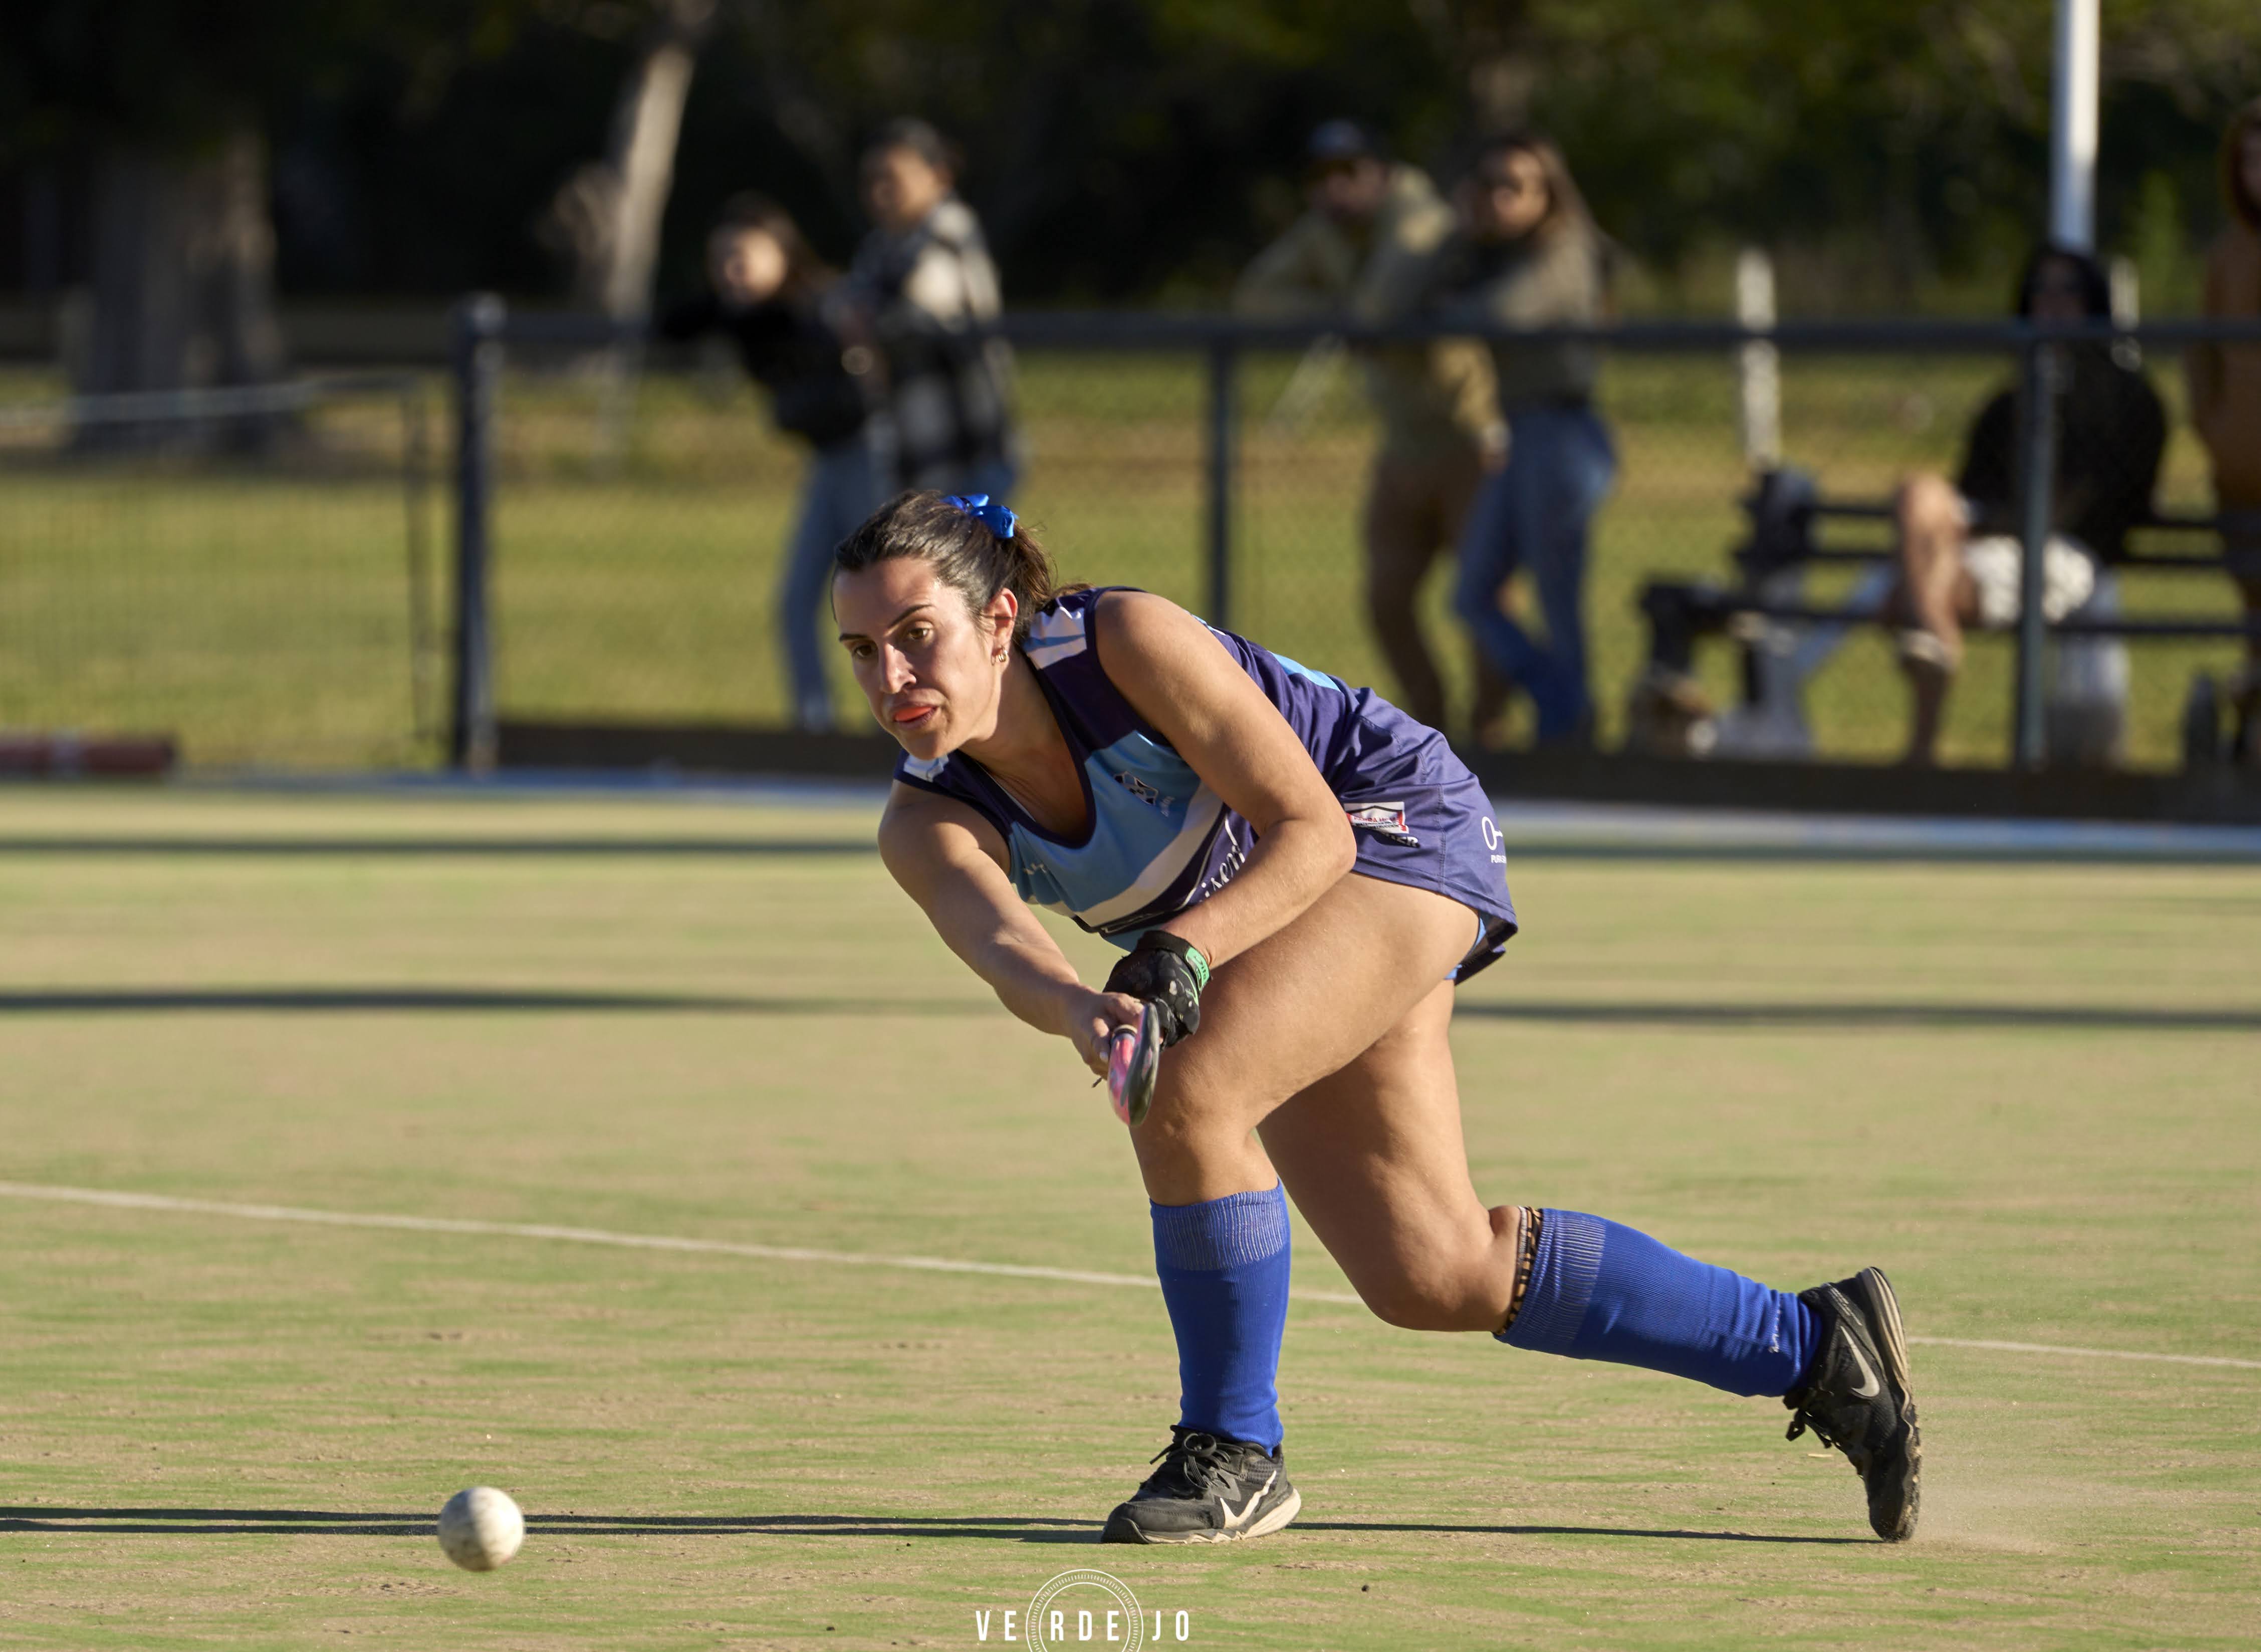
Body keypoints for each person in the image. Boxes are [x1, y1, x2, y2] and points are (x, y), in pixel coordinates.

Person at [830, 487, 1922, 1547]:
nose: (892, 675)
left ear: (999, 619)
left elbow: (1312, 833)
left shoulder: (1120, 644)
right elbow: (1006, 952)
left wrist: (1183, 949)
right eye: (862, 651)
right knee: (1433, 1273)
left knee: (1192, 1094)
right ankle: (1818, 1347)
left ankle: (1235, 1450)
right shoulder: (924, 817)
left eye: (916, 634)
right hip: (1263, 926)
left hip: (1391, 824)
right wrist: (1082, 1006)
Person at [1235, 120, 1504, 735]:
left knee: (1483, 600)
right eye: (1321, 178)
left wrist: (1353, 321)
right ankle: (1433, 725)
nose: (1336, 188)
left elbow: (1379, 310)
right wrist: (1339, 317)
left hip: (1471, 436)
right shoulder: (1327, 231)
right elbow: (1255, 296)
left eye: (1350, 173)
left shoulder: (1417, 219)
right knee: (1387, 600)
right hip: (1401, 443)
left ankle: (1492, 730)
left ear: (1381, 173)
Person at [1888, 245, 2166, 765]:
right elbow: (1969, 491)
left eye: (2068, 291)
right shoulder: (2007, 403)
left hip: (2064, 552)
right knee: (1916, 496)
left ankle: (1923, 728)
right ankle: (1933, 647)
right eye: (2041, 291)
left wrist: (1996, 524)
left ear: (2094, 304)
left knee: (1922, 584)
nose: (2053, 304)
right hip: (1987, 545)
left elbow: (2100, 502)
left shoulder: (2126, 400)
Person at [661, 194, 886, 731]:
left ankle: (904, 735)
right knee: (795, 603)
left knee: (884, 602)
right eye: (721, 260)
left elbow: (859, 386)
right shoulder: (742, 313)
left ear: (783, 254)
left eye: (744, 256)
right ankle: (815, 732)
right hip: (828, 463)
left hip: (872, 457)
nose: (730, 272)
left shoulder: (818, 307)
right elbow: (673, 325)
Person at [1423, 133, 1617, 747]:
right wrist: (1460, 227)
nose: (1499, 200)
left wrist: (1453, 304)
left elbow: (1499, 314)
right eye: (1489, 187)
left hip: (1564, 435)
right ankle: (1564, 705)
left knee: (1556, 598)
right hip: (1520, 433)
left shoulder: (1567, 248)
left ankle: (1570, 730)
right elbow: (1424, 298)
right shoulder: (1487, 251)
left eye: (1515, 188)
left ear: (1548, 195)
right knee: (1473, 592)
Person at [847, 119, 1021, 498]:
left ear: (938, 177)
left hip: (969, 449)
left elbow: (920, 308)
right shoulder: (881, 248)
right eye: (871, 180)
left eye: (893, 178)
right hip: (911, 447)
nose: (879, 192)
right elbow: (848, 314)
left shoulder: (950, 231)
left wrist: (864, 329)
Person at [2188, 96, 2261, 761]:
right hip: (2241, 478)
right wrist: (2216, 430)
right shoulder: (2227, 255)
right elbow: (2201, 357)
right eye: (2249, 158)